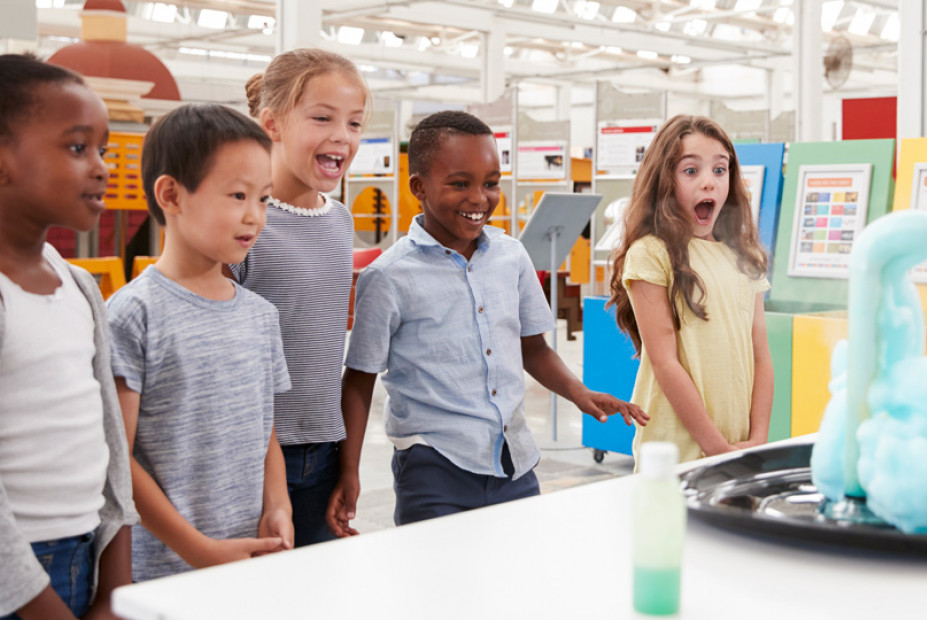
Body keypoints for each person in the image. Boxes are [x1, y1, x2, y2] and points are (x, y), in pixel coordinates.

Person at [343, 110, 648, 525]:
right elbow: (359, 379)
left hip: (514, 464)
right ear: (419, 187)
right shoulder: (389, 277)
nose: (480, 198)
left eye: (490, 184)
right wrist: (347, 473)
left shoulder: (511, 257)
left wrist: (579, 392)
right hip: (434, 470)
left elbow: (533, 348)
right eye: (459, 184)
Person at [108, 104, 293, 582]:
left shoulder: (259, 315)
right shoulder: (134, 314)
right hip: (166, 569)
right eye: (237, 195)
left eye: (264, 198)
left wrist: (279, 505)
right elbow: (116, 457)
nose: (254, 216)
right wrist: (200, 550)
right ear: (171, 194)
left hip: (248, 555)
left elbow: (263, 428)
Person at [0, 54, 137, 620]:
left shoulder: (78, 285)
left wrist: (114, 586)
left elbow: (109, 439)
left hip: (88, 550)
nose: (101, 167)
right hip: (18, 579)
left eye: (102, 149)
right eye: (78, 148)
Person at [236, 48, 370, 543]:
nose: (342, 135)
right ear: (271, 123)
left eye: (354, 123)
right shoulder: (246, 221)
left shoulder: (339, 220)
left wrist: (347, 464)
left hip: (324, 447)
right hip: (251, 451)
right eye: (322, 118)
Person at [608, 115, 773, 465]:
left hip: (738, 447)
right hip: (676, 454)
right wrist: (717, 450)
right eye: (691, 171)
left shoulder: (745, 257)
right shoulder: (652, 252)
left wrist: (758, 437)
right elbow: (665, 362)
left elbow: (761, 355)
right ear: (664, 179)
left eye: (720, 169)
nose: (709, 183)